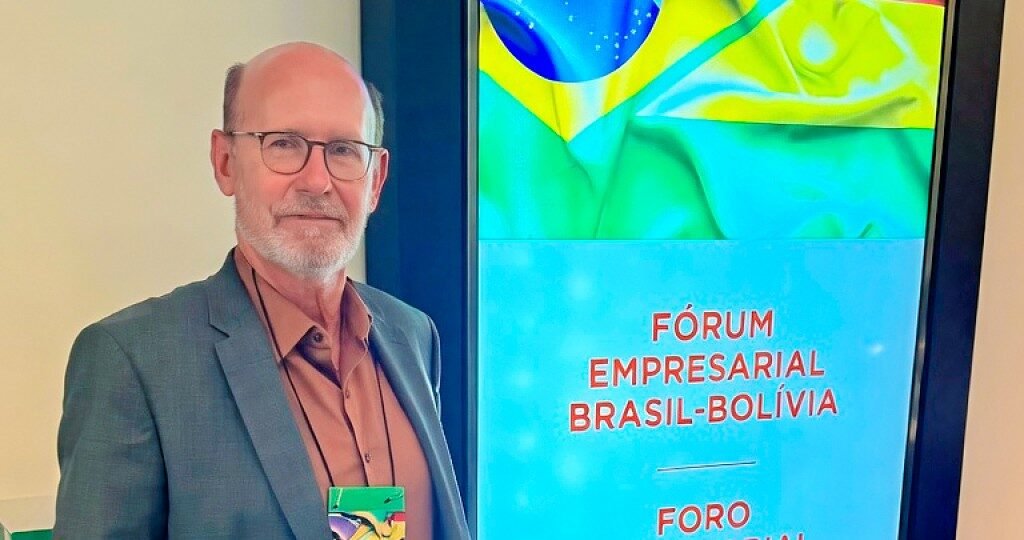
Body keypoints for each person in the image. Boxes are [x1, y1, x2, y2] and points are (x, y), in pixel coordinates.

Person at [54, 42, 470, 539]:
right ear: (225, 162)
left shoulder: (412, 335)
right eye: (284, 144)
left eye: (343, 150)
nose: (316, 181)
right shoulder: (135, 362)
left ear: (376, 180)